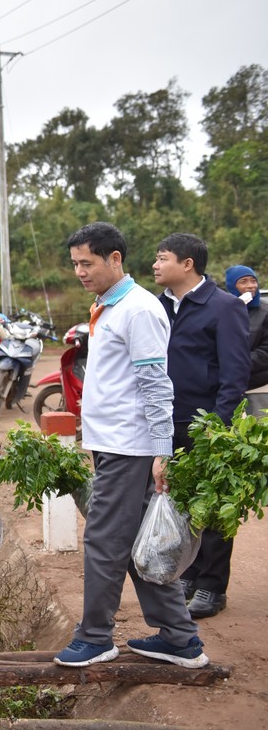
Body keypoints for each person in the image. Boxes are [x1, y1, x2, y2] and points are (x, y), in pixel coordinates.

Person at [54, 221, 207, 669]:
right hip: (114, 443)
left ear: (115, 259)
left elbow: (156, 385)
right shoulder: (107, 305)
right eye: (75, 264)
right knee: (143, 542)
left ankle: (96, 636)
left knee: (103, 541)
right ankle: (181, 638)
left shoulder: (138, 309)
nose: (80, 271)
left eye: (88, 263)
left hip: (130, 446)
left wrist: (162, 450)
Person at [161, 252, 254, 620]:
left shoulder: (224, 306)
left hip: (208, 424)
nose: (154, 265)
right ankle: (191, 574)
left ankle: (213, 586)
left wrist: (218, 423)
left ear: (187, 264)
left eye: (161, 258)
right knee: (182, 504)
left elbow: (236, 372)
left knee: (213, 507)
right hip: (168, 420)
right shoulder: (160, 306)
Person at [226, 265, 268, 391]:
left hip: (258, 385)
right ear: (232, 286)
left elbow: (265, 351)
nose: (251, 286)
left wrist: (238, 363)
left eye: (253, 280)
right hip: (227, 385)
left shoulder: (265, 312)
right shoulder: (222, 310)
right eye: (243, 282)